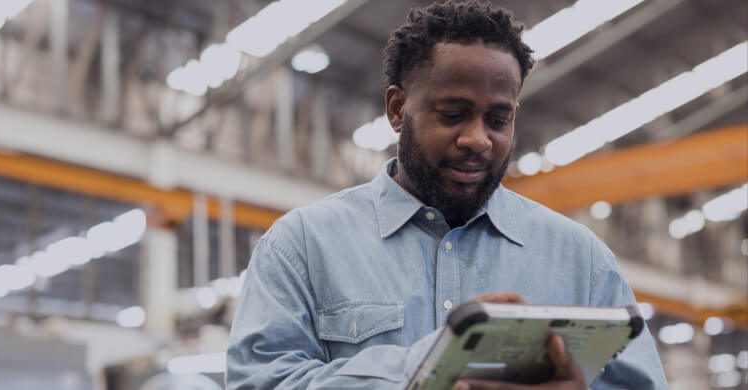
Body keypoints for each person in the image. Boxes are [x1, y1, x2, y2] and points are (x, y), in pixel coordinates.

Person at [226, 1, 668, 389]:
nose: (478, 139)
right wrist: (423, 366)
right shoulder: (302, 245)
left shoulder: (581, 261)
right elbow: (261, 382)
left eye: (498, 120)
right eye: (453, 114)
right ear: (398, 109)